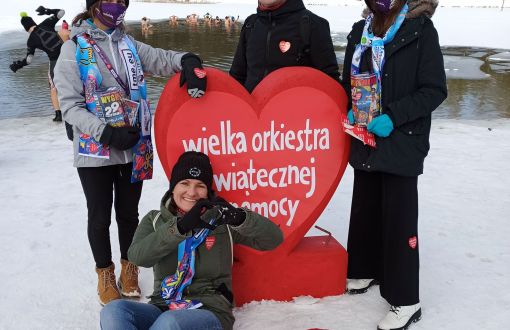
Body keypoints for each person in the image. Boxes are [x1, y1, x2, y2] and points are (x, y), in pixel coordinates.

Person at [54, 0, 208, 306]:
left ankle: (130, 266)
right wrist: (106, 133)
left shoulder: (129, 44)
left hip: (134, 148)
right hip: (95, 151)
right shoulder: (73, 48)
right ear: (95, 4)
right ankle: (105, 273)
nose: (118, 6)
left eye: (123, 1)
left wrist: (188, 60)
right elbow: (69, 104)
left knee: (128, 214)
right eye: (111, 0)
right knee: (99, 216)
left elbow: (164, 59)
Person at [341, 1, 447, 329]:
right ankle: (365, 270)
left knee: (399, 220)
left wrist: (394, 116)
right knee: (365, 209)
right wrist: (349, 108)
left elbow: (434, 90)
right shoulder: (361, 31)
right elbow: (348, 81)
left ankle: (406, 300)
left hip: (401, 137)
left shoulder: (421, 31)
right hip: (364, 136)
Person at [100, 151, 284, 330]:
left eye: (200, 185)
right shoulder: (155, 220)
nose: (192, 192)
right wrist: (179, 228)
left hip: (209, 309)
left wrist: (239, 218)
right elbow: (138, 257)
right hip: (163, 305)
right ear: (173, 188)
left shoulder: (221, 222)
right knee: (114, 310)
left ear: (207, 191)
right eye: (185, 183)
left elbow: (273, 239)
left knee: (171, 322)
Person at [229, 0, 340, 93]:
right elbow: (236, 77)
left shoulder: (312, 25)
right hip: (251, 114)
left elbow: (330, 84)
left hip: (294, 116)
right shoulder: (251, 24)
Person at [10, 6, 66, 122]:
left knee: (53, 87)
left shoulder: (31, 40)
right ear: (34, 22)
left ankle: (58, 114)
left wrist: (18, 65)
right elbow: (61, 12)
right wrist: (47, 11)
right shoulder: (45, 23)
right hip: (68, 55)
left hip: (55, 61)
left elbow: (29, 60)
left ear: (26, 29)